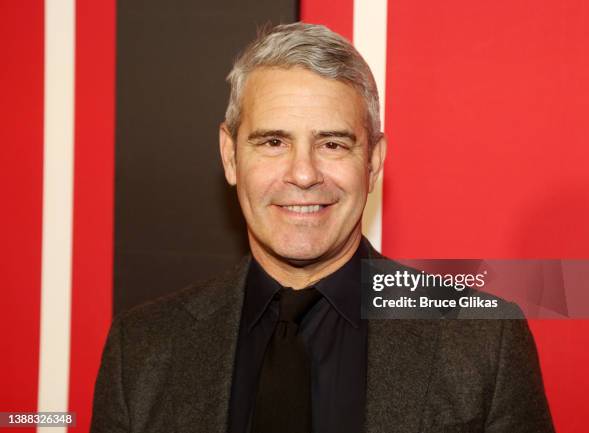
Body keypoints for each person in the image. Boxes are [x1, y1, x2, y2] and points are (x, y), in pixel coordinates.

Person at [91, 23, 555, 433]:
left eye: (332, 143)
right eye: (273, 142)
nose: (304, 174)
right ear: (231, 156)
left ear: (372, 161)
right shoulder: (143, 349)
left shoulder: (481, 339)